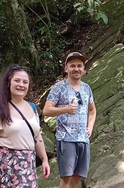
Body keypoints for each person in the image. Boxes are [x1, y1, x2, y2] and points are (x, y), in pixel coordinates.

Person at [0, 64, 50, 188]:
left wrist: (44, 160)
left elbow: (37, 136)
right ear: (9, 83)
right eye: (17, 80)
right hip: (5, 166)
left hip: (28, 165)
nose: (21, 85)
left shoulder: (32, 107)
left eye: (25, 82)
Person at [43, 52, 97, 188]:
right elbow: (46, 110)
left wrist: (90, 127)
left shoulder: (86, 88)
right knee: (66, 177)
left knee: (77, 176)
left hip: (83, 138)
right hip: (66, 138)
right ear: (66, 68)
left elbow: (92, 110)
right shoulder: (58, 88)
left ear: (84, 69)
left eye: (79, 66)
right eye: (72, 66)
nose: (76, 69)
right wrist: (65, 109)